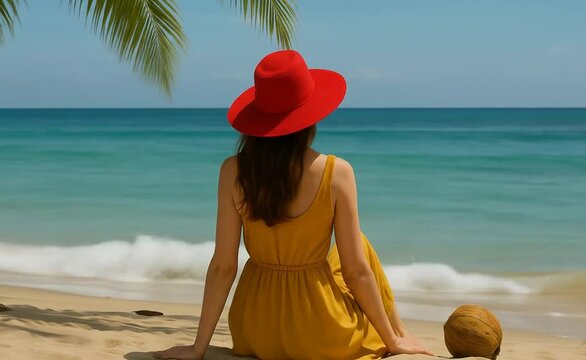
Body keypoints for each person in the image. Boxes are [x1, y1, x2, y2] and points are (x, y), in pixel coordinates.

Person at [153, 50, 433, 359]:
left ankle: (397, 336)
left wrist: (198, 347)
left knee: (348, 251)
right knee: (359, 247)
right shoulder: (337, 172)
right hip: (319, 335)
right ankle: (398, 336)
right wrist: (389, 341)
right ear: (310, 117)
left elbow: (223, 267)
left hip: (254, 331)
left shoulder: (233, 171)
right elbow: (356, 273)